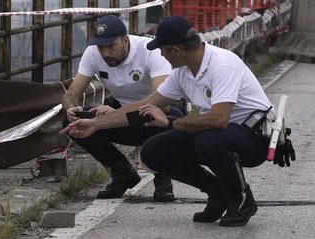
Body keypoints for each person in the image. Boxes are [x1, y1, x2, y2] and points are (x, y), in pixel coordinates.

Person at [62, 16, 295, 227]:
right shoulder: (181, 72)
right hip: (224, 133)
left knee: (208, 141)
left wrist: (171, 123)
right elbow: (142, 107)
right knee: (153, 152)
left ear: (174, 50)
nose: (160, 56)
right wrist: (94, 124)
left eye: (162, 51)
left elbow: (219, 119)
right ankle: (217, 192)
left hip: (255, 136)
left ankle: (241, 199)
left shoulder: (222, 64)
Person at [62, 15, 183, 202]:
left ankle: (163, 179)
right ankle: (122, 173)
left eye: (111, 46)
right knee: (73, 122)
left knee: (165, 117)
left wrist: (117, 115)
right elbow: (71, 94)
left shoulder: (150, 52)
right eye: (101, 47)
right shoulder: (93, 53)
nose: (105, 53)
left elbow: (163, 105)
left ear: (125, 40)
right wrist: (72, 109)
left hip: (150, 117)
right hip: (120, 115)